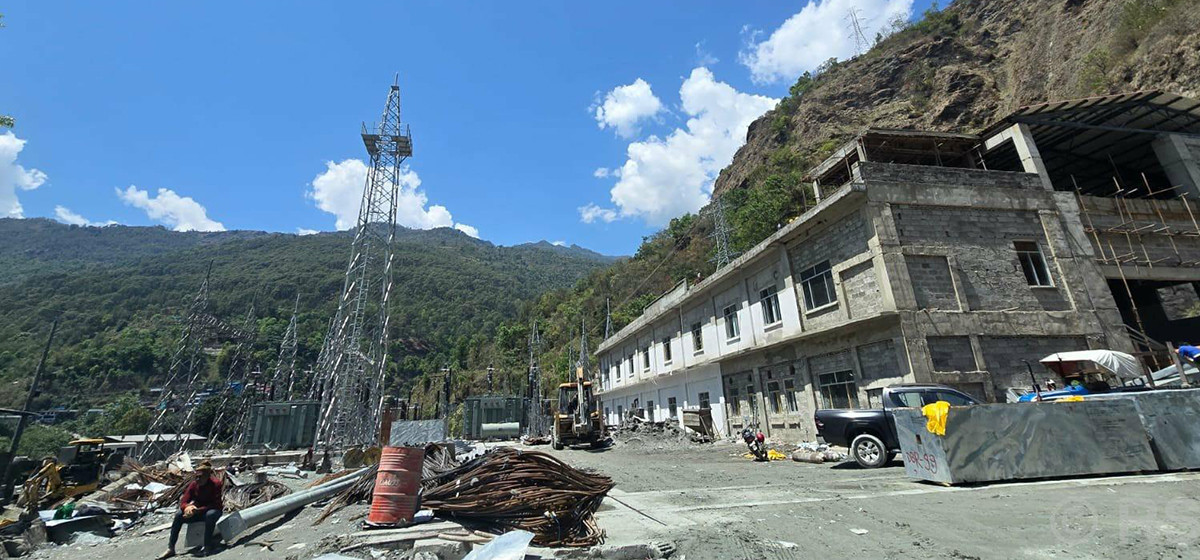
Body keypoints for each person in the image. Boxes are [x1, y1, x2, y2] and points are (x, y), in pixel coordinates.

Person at [159, 460, 223, 558]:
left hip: (213, 511)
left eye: (200, 477)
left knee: (210, 515)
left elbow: (215, 504)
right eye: (196, 477)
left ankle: (207, 546)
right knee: (178, 515)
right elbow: (184, 501)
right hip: (197, 511)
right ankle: (171, 548)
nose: (198, 479)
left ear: (207, 476)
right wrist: (187, 508)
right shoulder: (194, 485)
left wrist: (199, 510)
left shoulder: (216, 484)